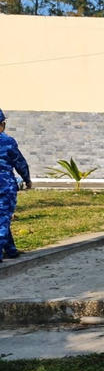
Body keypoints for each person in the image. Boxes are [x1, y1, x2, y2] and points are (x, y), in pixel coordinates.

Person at [0, 109, 32, 262]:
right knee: (3, 218)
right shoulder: (7, 141)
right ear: (2, 125)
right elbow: (20, 162)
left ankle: (11, 249)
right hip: (4, 186)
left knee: (3, 218)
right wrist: (27, 179)